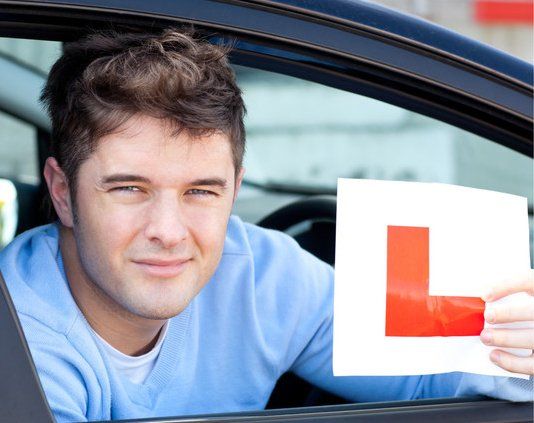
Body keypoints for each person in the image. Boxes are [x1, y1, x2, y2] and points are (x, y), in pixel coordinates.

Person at [0, 29, 532, 422]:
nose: (168, 230)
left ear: (235, 188)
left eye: (201, 192)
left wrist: (517, 351)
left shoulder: (262, 277)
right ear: (63, 192)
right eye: (129, 189)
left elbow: (427, 379)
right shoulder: (19, 340)